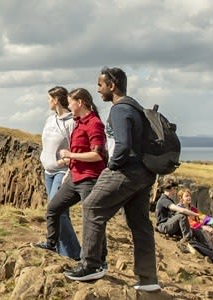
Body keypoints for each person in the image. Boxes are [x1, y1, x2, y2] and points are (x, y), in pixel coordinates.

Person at [64, 67, 160, 293]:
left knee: (91, 207)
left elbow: (123, 145)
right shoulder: (135, 107)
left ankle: (91, 265)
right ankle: (148, 279)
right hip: (144, 173)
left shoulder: (119, 110)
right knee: (140, 224)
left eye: (100, 85)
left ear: (112, 85)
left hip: (126, 171)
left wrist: (113, 166)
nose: (98, 90)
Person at [34, 88, 106, 262]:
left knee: (92, 220)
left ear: (79, 102)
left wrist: (70, 157)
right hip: (74, 175)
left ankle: (98, 260)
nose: (69, 104)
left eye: (71, 101)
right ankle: (52, 243)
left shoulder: (94, 123)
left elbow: (98, 154)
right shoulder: (79, 121)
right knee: (53, 208)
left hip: (88, 177)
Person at [37, 86, 81, 259]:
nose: (48, 101)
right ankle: (62, 251)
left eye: (49, 98)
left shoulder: (72, 122)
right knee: (60, 212)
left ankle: (74, 254)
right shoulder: (50, 119)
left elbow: (75, 148)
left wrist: (66, 166)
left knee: (56, 209)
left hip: (61, 172)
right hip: (48, 171)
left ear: (56, 100)